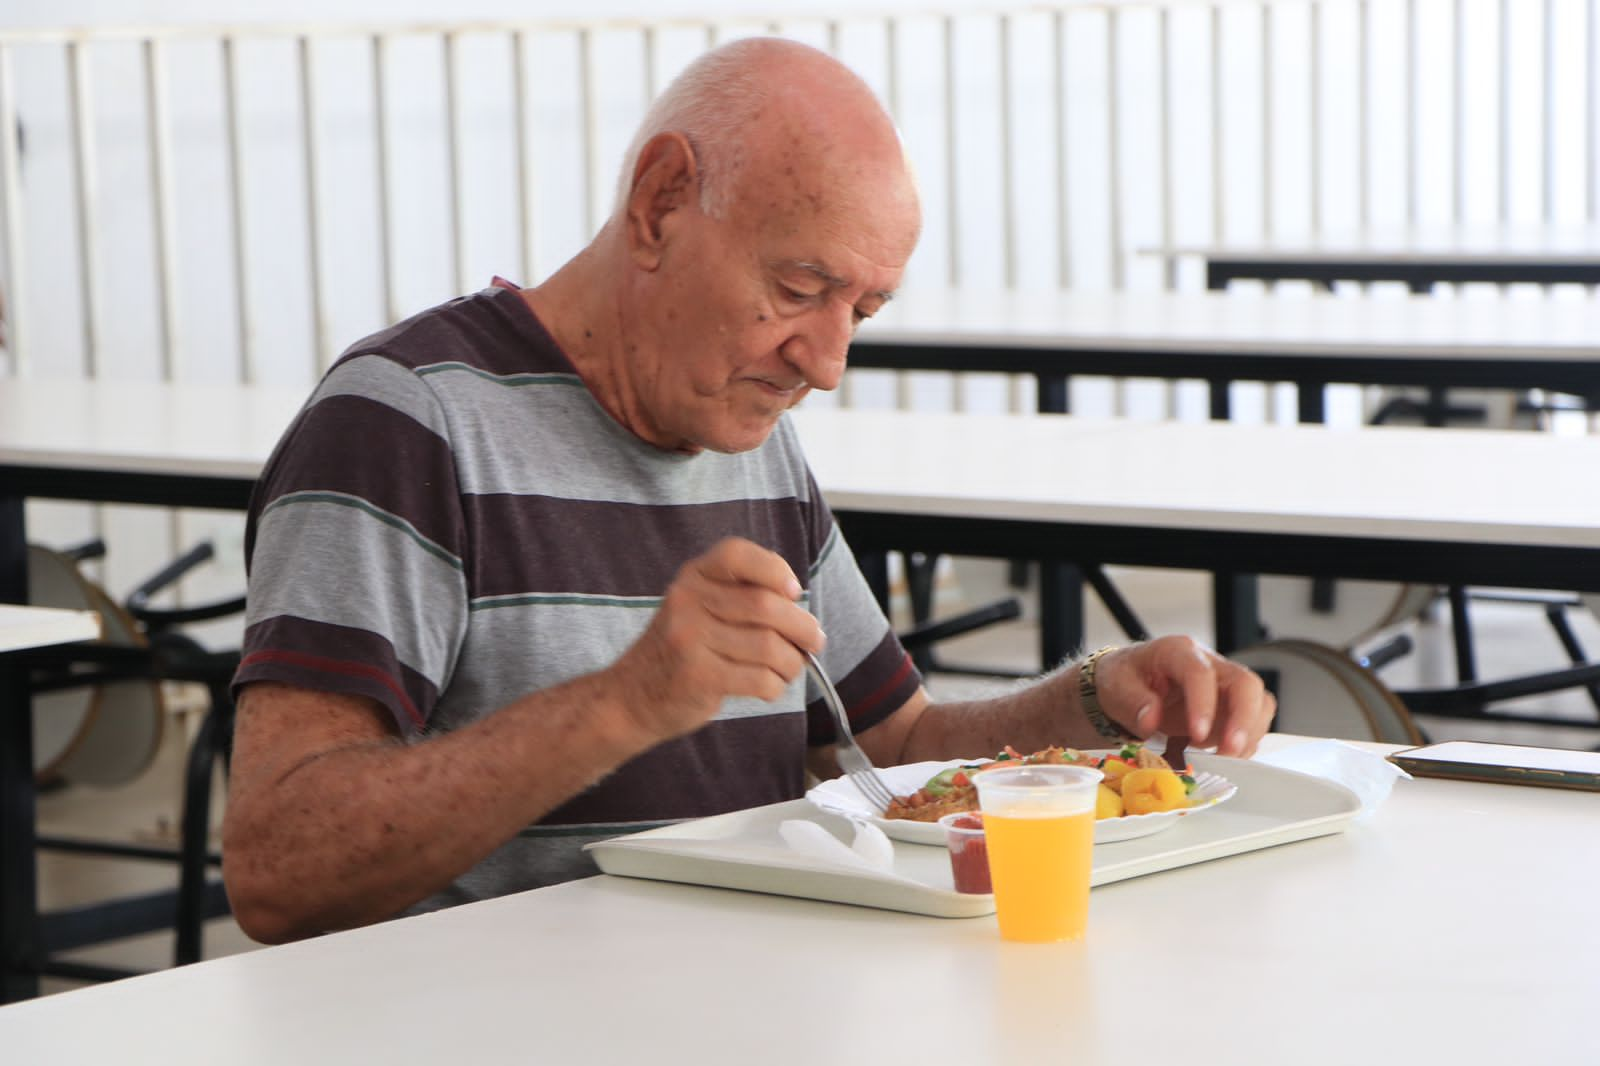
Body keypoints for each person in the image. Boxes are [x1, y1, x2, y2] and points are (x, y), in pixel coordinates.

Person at [222, 37, 1275, 944]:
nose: (824, 361)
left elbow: (890, 749)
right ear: (659, 202)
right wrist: (622, 705)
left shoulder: (743, 423)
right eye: (799, 290)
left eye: (861, 308)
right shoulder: (409, 424)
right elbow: (279, 867)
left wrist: (1094, 701)